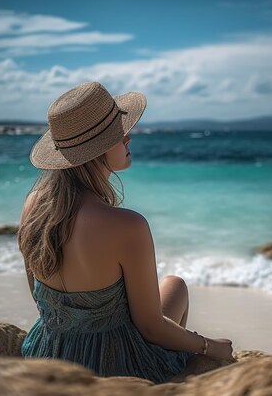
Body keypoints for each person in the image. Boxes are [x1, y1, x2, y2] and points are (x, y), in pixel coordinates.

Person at [18, 81, 234, 383]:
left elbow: (40, 301)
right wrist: (211, 346)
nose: (129, 137)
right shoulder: (127, 225)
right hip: (117, 367)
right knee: (175, 286)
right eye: (118, 134)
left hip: (49, 352)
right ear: (97, 150)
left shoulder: (33, 207)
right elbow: (151, 327)